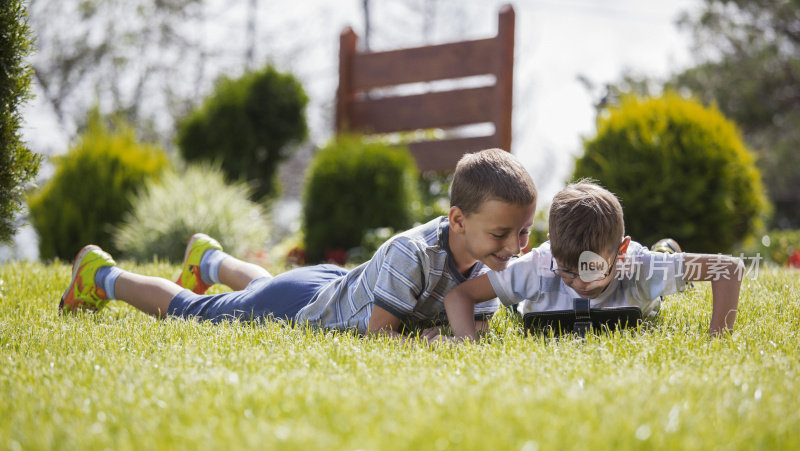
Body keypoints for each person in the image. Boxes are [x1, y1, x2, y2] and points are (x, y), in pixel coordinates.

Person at [59, 148, 538, 339]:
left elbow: (471, 333)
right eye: (501, 233)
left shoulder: (486, 265)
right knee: (196, 313)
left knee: (261, 289)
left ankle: (211, 261)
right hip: (304, 303)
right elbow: (379, 339)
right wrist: (438, 341)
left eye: (523, 232)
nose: (515, 246)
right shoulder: (411, 254)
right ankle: (102, 274)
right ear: (457, 220)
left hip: (332, 285)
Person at [444, 180, 744, 340]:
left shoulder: (639, 267)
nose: (580, 283)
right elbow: (460, 296)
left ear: (620, 252)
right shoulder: (538, 266)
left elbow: (730, 269)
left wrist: (718, 337)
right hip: (533, 298)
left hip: (645, 272)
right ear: (552, 248)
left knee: (664, 260)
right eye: (567, 271)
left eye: (592, 269)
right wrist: (466, 341)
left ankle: (667, 249)